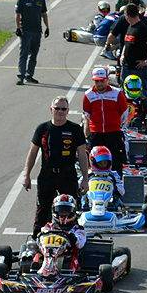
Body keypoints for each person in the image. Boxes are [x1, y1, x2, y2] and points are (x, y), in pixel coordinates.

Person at [23, 96, 89, 238]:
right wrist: (26, 175)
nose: (60, 111)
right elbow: (33, 153)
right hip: (47, 175)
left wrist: (85, 178)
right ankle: (38, 241)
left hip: (68, 175)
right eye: (57, 108)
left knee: (70, 209)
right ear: (51, 110)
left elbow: (82, 155)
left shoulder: (75, 129)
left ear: (68, 111)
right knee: (42, 210)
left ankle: (72, 240)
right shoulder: (42, 129)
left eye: (63, 109)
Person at [82, 67, 129, 174]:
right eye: (97, 81)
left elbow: (124, 113)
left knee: (116, 160)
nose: (99, 84)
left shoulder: (116, 93)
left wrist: (116, 125)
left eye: (102, 81)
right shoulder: (88, 95)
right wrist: (88, 131)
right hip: (96, 133)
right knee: (95, 160)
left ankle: (117, 185)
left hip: (113, 133)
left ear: (107, 80)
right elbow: (87, 114)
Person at [119, 3, 147, 105]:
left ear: (127, 15)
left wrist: (146, 61)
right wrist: (123, 55)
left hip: (138, 69)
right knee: (124, 94)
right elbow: (126, 43)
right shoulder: (130, 27)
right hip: (126, 67)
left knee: (142, 93)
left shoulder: (142, 28)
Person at [14, 0, 49, 85]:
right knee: (23, 54)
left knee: (34, 55)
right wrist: (18, 28)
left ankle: (30, 75)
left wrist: (47, 27)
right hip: (26, 31)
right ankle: (21, 76)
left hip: (37, 31)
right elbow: (17, 14)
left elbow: (44, 14)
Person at [39, 194, 87, 265]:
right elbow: (41, 235)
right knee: (37, 258)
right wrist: (41, 234)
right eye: (61, 212)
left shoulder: (77, 229)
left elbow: (80, 244)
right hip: (48, 254)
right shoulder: (49, 226)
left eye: (66, 212)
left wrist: (74, 238)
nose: (64, 214)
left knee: (68, 263)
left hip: (67, 256)